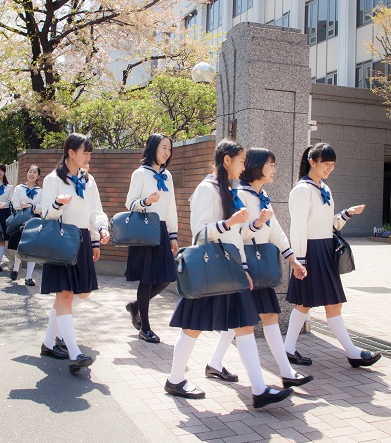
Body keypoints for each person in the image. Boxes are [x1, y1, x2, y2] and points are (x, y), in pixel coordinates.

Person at [165, 139, 293, 408]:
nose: (244, 166)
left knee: (244, 326)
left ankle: (259, 390)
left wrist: (244, 267)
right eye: (241, 161)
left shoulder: (230, 190)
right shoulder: (206, 189)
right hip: (211, 268)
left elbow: (238, 236)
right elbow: (199, 232)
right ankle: (175, 380)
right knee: (192, 328)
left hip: (230, 268)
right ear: (227, 161)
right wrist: (228, 223)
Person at [205, 148, 314, 388]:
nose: (275, 170)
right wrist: (256, 224)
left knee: (254, 318)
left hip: (257, 268)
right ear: (257, 166)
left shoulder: (261, 195)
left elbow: (275, 230)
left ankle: (216, 364)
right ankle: (282, 374)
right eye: (271, 165)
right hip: (243, 266)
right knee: (251, 319)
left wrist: (292, 259)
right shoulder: (240, 195)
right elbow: (237, 233)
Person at [283, 142, 381, 368]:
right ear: (312, 162)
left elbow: (329, 226)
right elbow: (297, 227)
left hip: (325, 249)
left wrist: (347, 214)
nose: (329, 168)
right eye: (325, 164)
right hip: (310, 252)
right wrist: (300, 260)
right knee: (305, 303)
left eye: (332, 165)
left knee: (330, 304)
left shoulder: (324, 189)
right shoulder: (301, 190)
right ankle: (291, 349)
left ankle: (351, 352)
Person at [41, 133, 110, 373]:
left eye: (90, 153)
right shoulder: (53, 180)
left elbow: (96, 211)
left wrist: (99, 231)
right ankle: (75, 353)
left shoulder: (88, 180)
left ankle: (49, 342)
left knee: (81, 292)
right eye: (85, 152)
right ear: (71, 152)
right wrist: (58, 204)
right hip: (61, 239)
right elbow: (46, 215)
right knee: (66, 295)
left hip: (81, 238)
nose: (88, 157)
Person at [124, 133, 178, 344]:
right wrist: (145, 201)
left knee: (165, 277)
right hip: (145, 228)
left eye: (169, 149)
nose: (167, 152)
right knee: (147, 279)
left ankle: (136, 306)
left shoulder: (168, 176)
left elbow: (171, 206)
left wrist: (173, 235)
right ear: (153, 148)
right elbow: (129, 203)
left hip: (162, 229)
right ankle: (145, 328)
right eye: (164, 147)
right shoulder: (140, 174)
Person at [9, 164, 43, 285]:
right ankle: (16, 269)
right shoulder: (19, 188)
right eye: (30, 171)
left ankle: (28, 277)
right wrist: (31, 206)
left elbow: (42, 207)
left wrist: (30, 205)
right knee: (20, 246)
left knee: (32, 249)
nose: (32, 174)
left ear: (38, 176)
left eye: (35, 172)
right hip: (21, 219)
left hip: (34, 221)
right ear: (26, 173)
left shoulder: (41, 191)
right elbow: (16, 204)